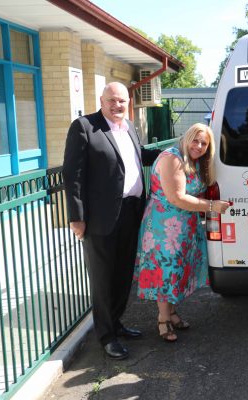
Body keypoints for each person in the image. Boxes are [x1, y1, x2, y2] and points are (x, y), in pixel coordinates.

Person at [62, 82, 161, 360]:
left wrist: (175, 151)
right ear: (102, 101)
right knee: (103, 278)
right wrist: (77, 217)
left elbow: (139, 156)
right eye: (112, 100)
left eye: (122, 101)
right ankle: (106, 336)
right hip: (101, 218)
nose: (118, 105)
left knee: (123, 274)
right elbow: (73, 175)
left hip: (132, 211)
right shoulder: (84, 127)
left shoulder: (129, 127)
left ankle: (116, 323)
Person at [133, 123, 230, 342]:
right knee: (166, 271)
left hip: (184, 224)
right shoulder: (172, 158)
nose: (199, 146)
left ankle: (171, 312)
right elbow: (177, 198)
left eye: (204, 143)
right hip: (164, 227)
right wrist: (212, 206)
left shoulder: (194, 160)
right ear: (186, 138)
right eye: (195, 140)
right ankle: (163, 319)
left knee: (177, 270)